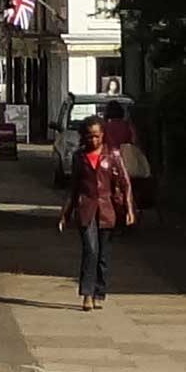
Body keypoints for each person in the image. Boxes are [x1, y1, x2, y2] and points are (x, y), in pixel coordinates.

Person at [58, 115, 136, 310]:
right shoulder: (79, 157)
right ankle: (87, 294)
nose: (93, 140)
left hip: (107, 210)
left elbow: (125, 184)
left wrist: (129, 209)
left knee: (102, 255)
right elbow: (74, 187)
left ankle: (99, 291)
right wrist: (65, 214)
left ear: (103, 135)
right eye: (89, 136)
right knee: (90, 250)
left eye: (97, 136)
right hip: (86, 209)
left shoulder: (113, 155)